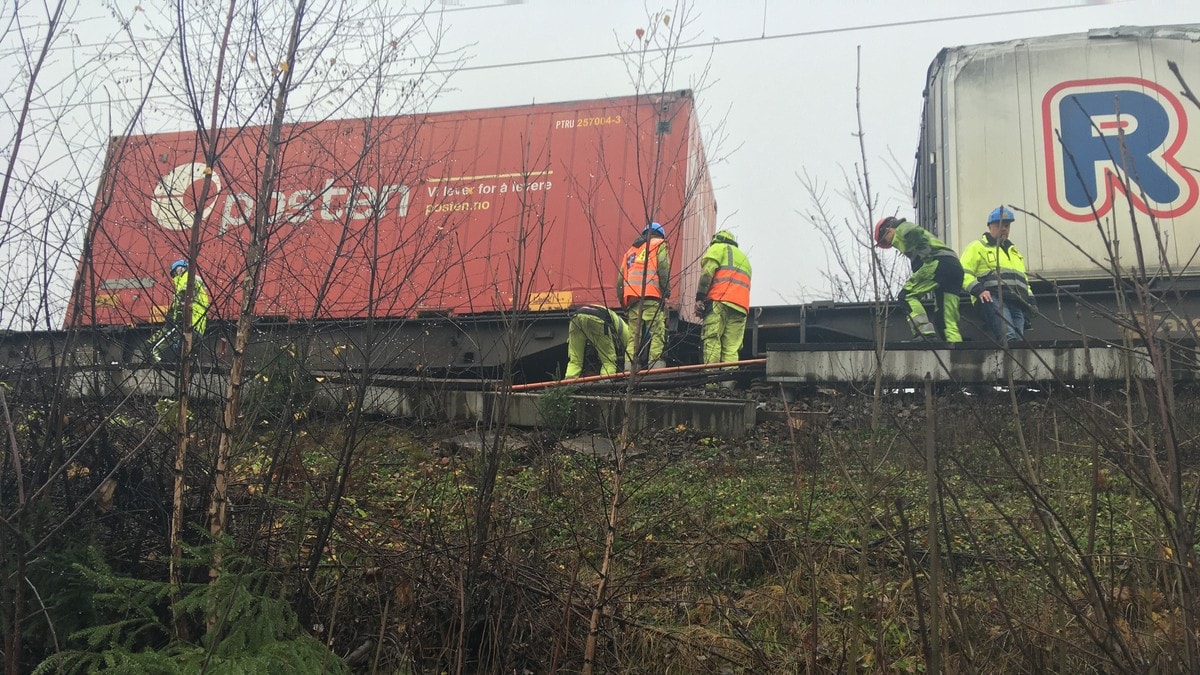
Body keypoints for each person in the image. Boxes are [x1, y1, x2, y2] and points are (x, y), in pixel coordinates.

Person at [874, 216, 963, 342]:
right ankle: (957, 351)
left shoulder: (902, 229)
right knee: (946, 319)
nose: (889, 244)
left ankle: (924, 334)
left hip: (938, 263)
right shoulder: (905, 234)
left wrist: (926, 255)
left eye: (885, 241)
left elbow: (913, 232)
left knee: (906, 296)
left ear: (887, 230)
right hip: (954, 267)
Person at [960, 206, 1033, 343]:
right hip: (993, 297)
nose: (1004, 228)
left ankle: (1013, 364)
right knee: (1009, 337)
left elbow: (1024, 280)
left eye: (1007, 225)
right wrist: (978, 290)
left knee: (1019, 342)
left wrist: (1030, 300)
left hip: (1016, 301)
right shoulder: (978, 247)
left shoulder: (1014, 252)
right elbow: (963, 272)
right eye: (1000, 225)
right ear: (990, 226)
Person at [616, 221, 671, 368]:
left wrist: (624, 303)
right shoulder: (659, 244)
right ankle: (655, 368)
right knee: (657, 333)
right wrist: (666, 292)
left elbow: (619, 281)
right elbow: (663, 268)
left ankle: (629, 369)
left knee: (634, 337)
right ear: (660, 234)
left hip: (633, 300)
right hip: (652, 296)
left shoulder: (630, 252)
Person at [695, 230, 752, 364]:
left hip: (719, 301)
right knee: (731, 348)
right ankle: (728, 383)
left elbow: (706, 274)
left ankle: (712, 383)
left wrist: (700, 298)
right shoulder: (744, 258)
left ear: (716, 239)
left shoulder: (717, 248)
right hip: (740, 306)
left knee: (712, 340)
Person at [148, 259, 210, 362]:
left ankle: (157, 362)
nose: (176, 274)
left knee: (155, 347)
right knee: (185, 354)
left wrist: (179, 315)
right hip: (198, 326)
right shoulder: (198, 285)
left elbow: (183, 297)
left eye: (175, 271)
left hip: (188, 322)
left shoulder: (186, 280)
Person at [563, 305, 633, 379]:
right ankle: (606, 383)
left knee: (575, 359)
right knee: (608, 361)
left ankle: (569, 383)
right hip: (596, 318)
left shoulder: (614, 317)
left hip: (576, 317)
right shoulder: (627, 332)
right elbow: (630, 347)